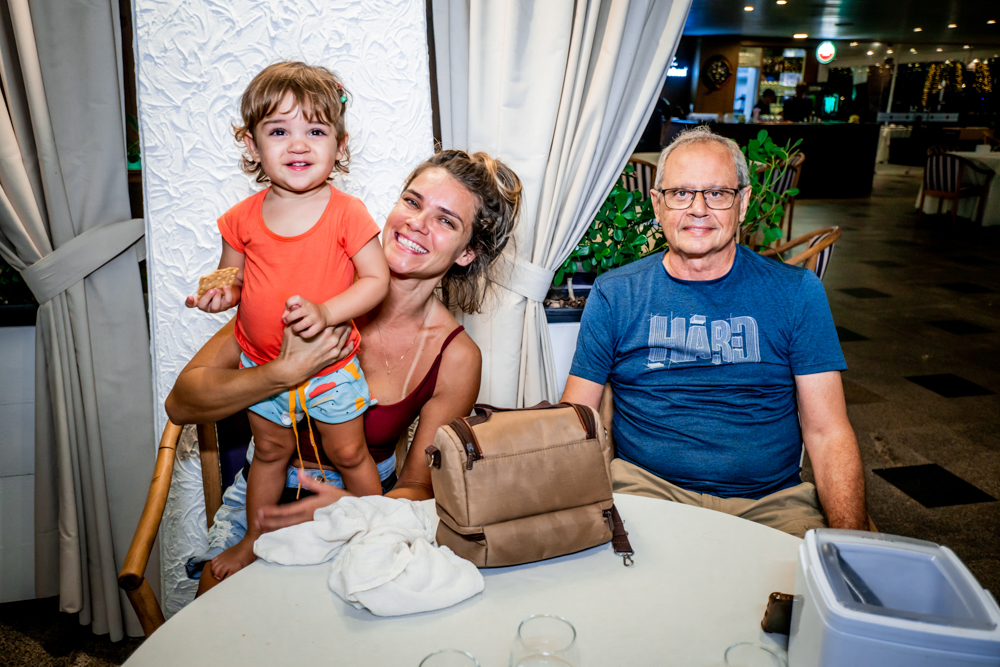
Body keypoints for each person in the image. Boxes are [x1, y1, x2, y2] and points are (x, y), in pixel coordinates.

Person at [167, 148, 522, 594]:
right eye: (412, 202)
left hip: (370, 503)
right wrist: (283, 372)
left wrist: (354, 506)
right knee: (218, 609)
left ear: (467, 253)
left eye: (445, 221)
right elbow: (181, 403)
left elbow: (417, 484)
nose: (417, 223)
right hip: (262, 502)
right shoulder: (307, 291)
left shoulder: (456, 357)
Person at [561, 125, 868, 538]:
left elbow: (828, 431)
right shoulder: (616, 294)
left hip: (770, 503)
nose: (698, 209)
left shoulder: (795, 293)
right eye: (681, 193)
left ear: (743, 203)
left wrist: (850, 539)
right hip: (647, 493)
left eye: (717, 193)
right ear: (657, 204)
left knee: (803, 579)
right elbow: (575, 418)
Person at [184, 62, 391, 580]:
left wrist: (327, 312)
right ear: (252, 146)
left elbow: (376, 280)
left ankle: (380, 531)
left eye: (315, 131)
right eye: (279, 131)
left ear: (340, 146)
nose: (298, 144)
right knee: (270, 453)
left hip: (330, 367)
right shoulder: (240, 218)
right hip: (263, 365)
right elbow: (232, 279)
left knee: (349, 452)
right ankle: (255, 538)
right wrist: (219, 295)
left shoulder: (348, 213)